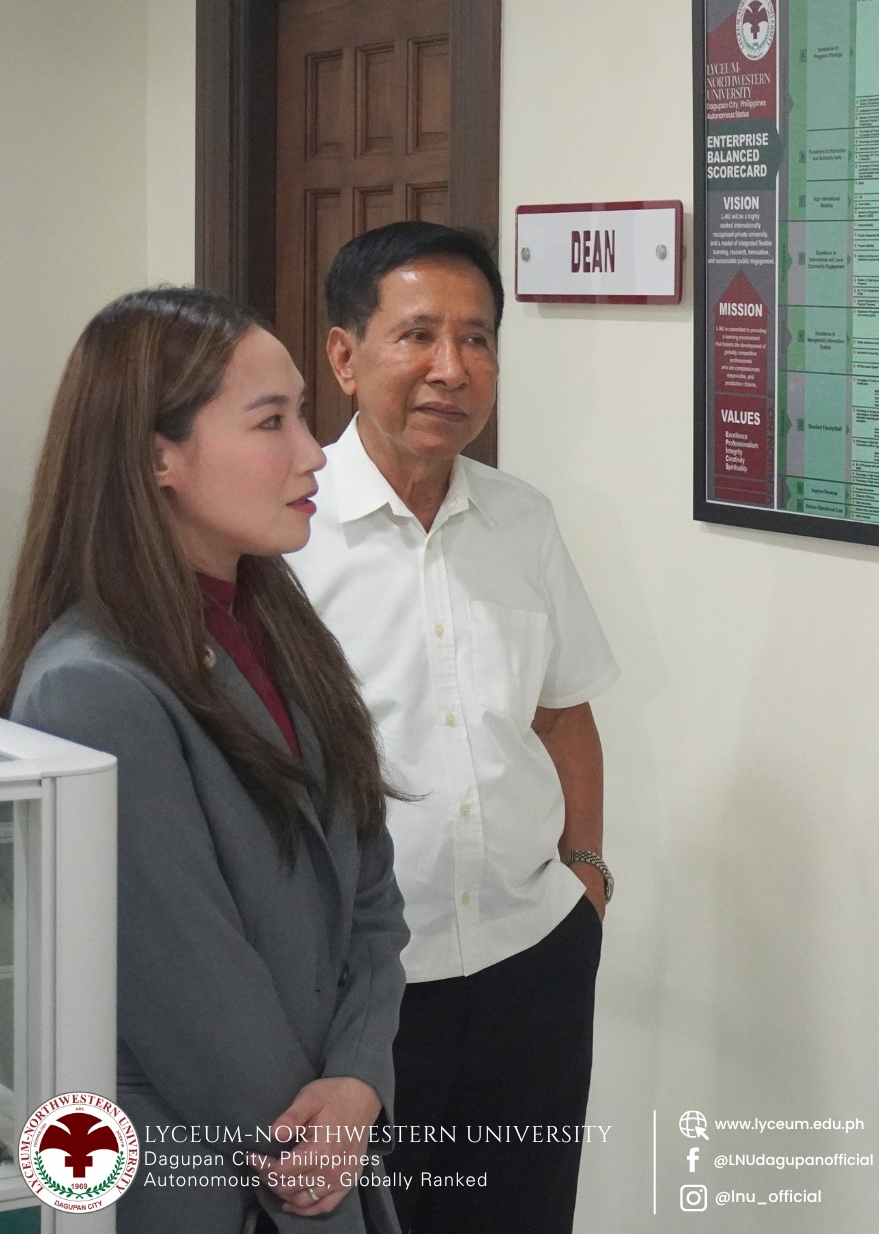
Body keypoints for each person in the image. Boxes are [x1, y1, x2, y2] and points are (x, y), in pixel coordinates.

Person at [0, 288, 407, 1233]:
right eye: (272, 421)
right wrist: (316, 1148)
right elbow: (194, 1001)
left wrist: (360, 1078)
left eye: (302, 413)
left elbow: (372, 896)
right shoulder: (92, 685)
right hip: (211, 1182)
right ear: (158, 458)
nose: (313, 451)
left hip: (324, 1144)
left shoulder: (277, 622)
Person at [285, 222, 617, 1234]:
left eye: (476, 339)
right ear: (344, 356)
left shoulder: (522, 518)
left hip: (532, 959)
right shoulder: (284, 539)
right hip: (359, 993)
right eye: (417, 335)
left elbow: (562, 711)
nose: (451, 368)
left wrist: (587, 875)